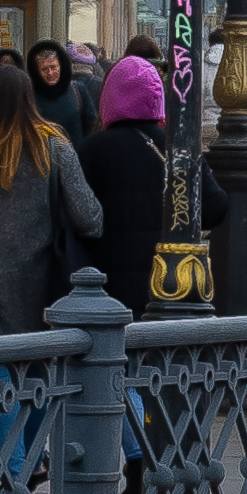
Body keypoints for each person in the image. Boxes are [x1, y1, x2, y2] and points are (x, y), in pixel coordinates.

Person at [0, 64, 102, 339]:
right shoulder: (54, 150)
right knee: (31, 379)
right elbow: (90, 219)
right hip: (37, 300)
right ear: (29, 100)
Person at [78, 56, 223, 322]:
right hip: (172, 282)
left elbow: (79, 215)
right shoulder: (180, 145)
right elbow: (216, 209)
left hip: (107, 281)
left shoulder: (92, 149)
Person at [27, 40, 98, 147]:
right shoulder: (29, 95)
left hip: (75, 159)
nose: (50, 73)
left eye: (53, 67)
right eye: (44, 69)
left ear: (61, 66)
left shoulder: (77, 89)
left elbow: (91, 125)